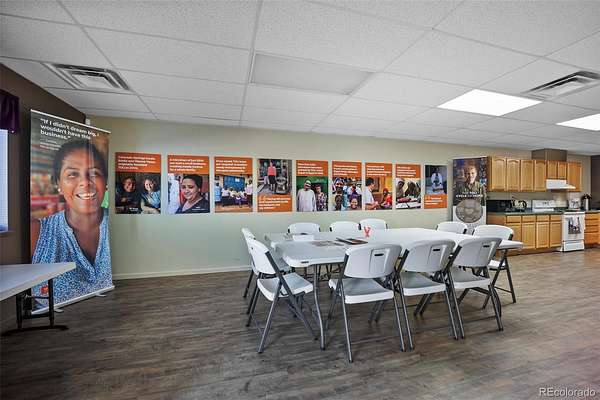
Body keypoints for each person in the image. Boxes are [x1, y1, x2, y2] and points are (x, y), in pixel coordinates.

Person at [30, 139, 112, 306]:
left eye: (94, 173)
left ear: (105, 181)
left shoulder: (117, 225)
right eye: (73, 174)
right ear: (58, 184)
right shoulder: (37, 233)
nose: (85, 182)